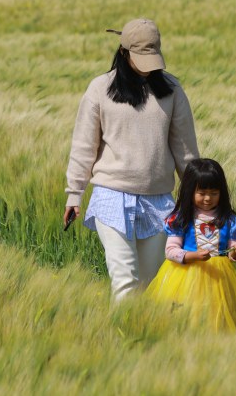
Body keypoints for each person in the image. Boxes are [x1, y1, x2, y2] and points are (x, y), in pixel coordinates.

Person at [63, 18, 199, 302]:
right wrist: (74, 194)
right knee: (125, 281)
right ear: (124, 53)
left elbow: (185, 150)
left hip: (159, 201)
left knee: (147, 287)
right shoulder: (100, 88)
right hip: (111, 196)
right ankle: (121, 342)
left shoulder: (172, 90)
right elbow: (84, 145)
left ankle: (140, 341)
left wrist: (195, 199)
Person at [146, 158, 236, 331]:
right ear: (189, 191)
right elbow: (170, 251)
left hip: (218, 278)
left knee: (217, 317)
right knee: (186, 313)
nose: (208, 198)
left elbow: (230, 255)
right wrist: (192, 256)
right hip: (186, 275)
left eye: (214, 193)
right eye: (201, 193)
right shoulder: (181, 219)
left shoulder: (229, 220)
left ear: (222, 193)